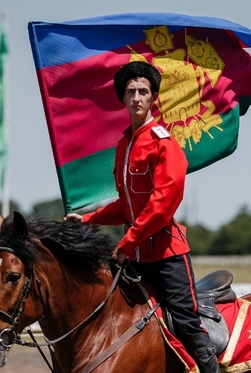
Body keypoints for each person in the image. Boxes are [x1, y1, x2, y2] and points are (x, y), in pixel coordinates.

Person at [64, 61, 219, 373]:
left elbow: (162, 205)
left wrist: (125, 243)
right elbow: (128, 204)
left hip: (166, 255)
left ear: (154, 99)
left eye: (143, 92)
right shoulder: (123, 145)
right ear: (123, 99)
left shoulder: (164, 143)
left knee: (187, 323)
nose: (136, 97)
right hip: (133, 255)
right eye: (131, 92)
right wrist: (89, 219)